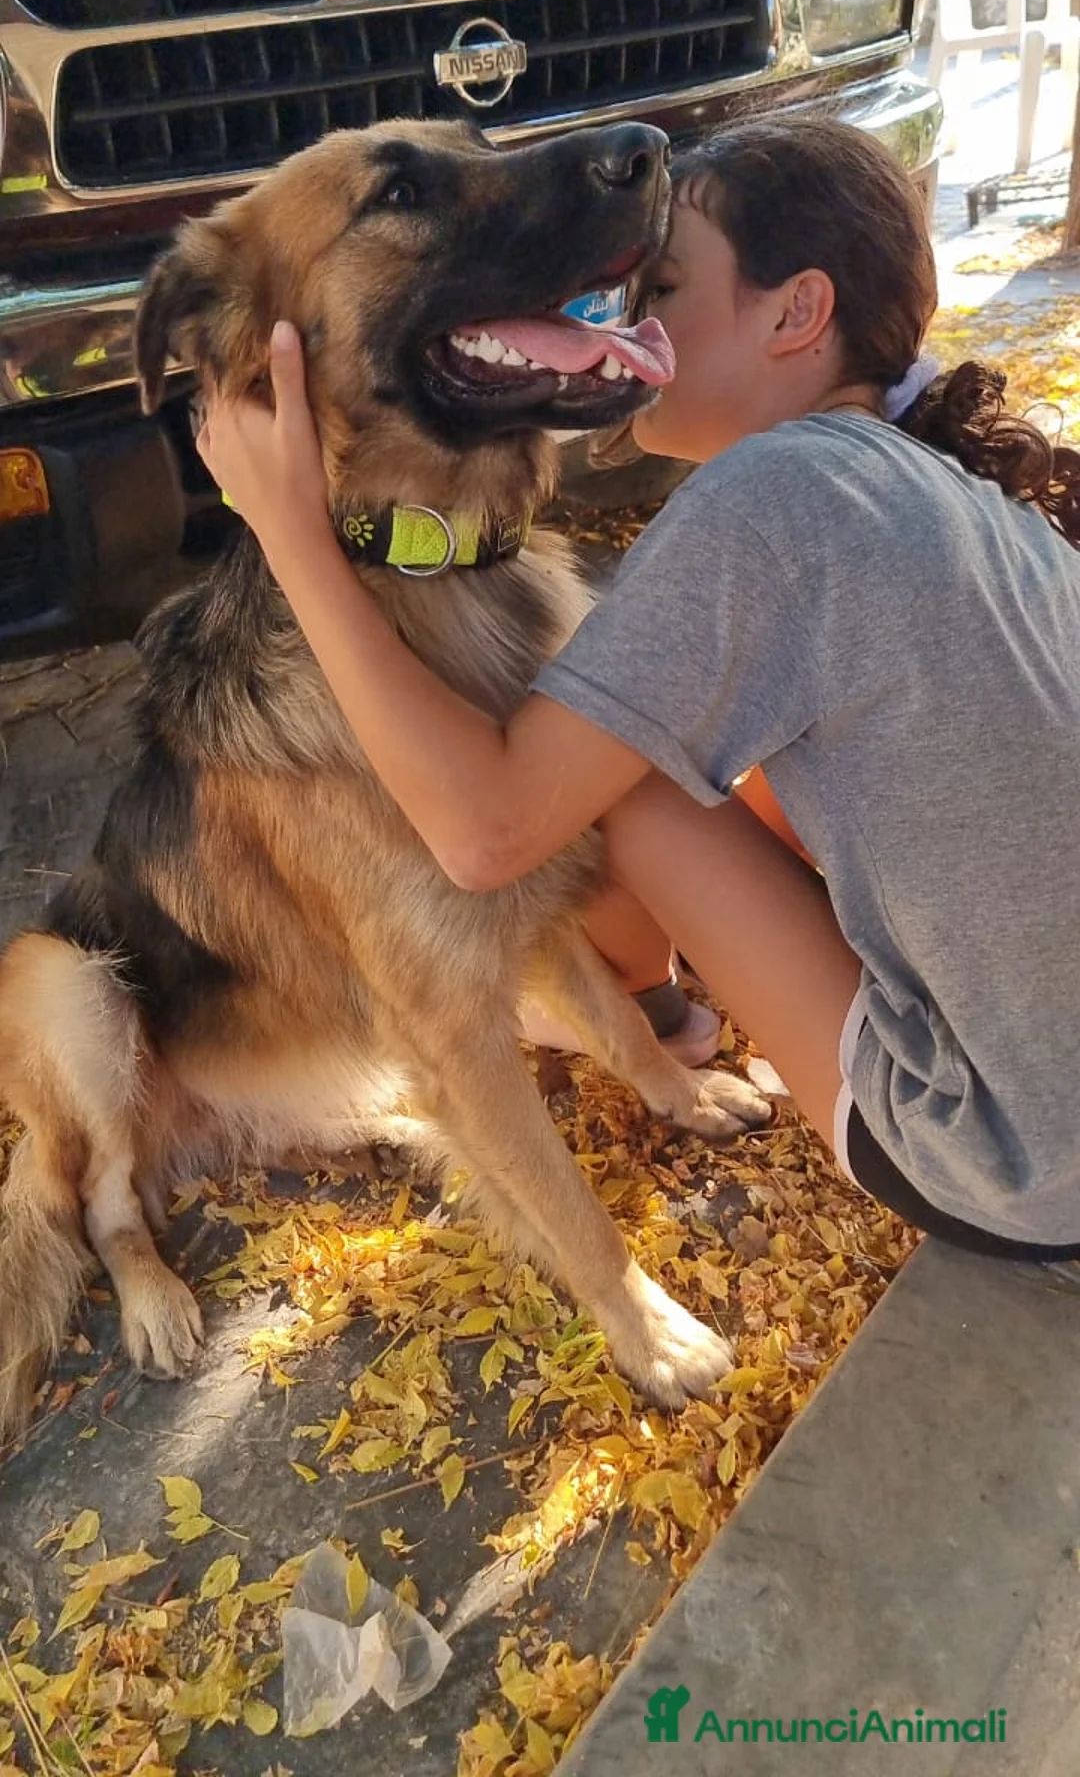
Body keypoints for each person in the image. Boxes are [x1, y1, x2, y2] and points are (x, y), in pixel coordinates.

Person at [196, 115, 1080, 1260]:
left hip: (1012, 1163)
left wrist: (292, 534)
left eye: (661, 282)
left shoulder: (778, 493)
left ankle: (652, 1012)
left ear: (795, 312)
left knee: (612, 764)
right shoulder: (961, 494)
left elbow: (486, 834)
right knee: (667, 729)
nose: (623, 315)